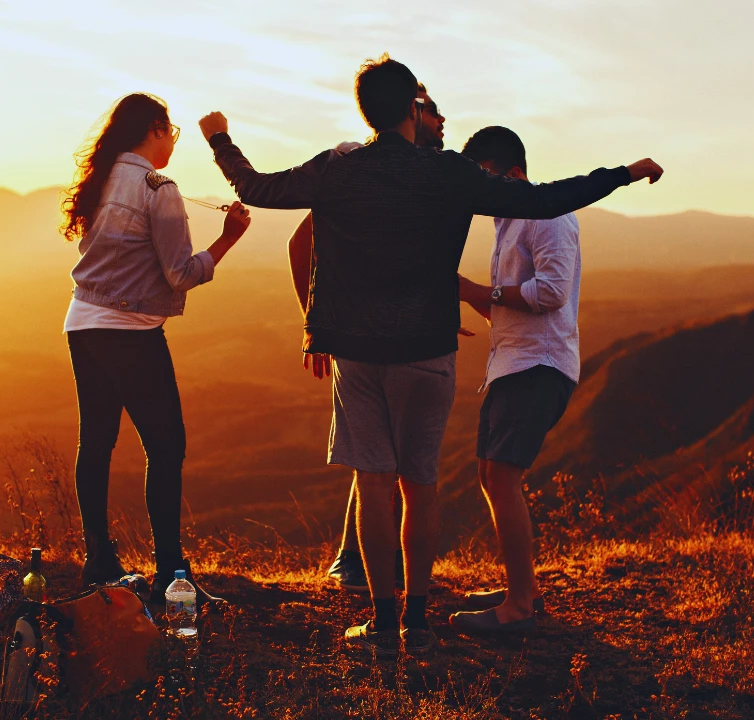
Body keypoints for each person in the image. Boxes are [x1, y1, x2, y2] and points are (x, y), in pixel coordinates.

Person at [199, 55, 662, 657]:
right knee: (421, 486)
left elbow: (258, 188)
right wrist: (622, 173)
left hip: (360, 354)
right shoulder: (447, 173)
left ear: (367, 110)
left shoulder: (337, 170)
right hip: (428, 351)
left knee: (375, 486)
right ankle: (418, 621)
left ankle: (384, 625)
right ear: (413, 111)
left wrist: (220, 140)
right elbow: (546, 200)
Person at [60, 93, 252, 605]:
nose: (173, 143)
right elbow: (181, 273)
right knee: (166, 447)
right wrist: (229, 237)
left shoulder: (101, 178)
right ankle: (172, 574)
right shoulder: (158, 188)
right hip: (132, 331)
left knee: (97, 442)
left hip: (82, 323)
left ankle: (99, 560)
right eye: (172, 133)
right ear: (154, 129)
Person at [284, 85, 449, 593]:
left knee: (383, 458)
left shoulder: (419, 175)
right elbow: (301, 241)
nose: (444, 121)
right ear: (409, 113)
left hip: (399, 333)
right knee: (378, 461)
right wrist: (316, 324)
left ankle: (366, 568)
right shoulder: (358, 169)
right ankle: (358, 565)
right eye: (433, 110)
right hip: (363, 337)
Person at [450, 126, 590, 635]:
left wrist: (475, 289)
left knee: (503, 477)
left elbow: (551, 292)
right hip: (512, 362)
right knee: (491, 474)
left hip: (540, 364)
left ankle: (518, 609)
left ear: (510, 174)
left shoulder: (546, 215)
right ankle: (522, 587)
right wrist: (472, 299)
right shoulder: (507, 222)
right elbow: (513, 305)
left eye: (480, 179)